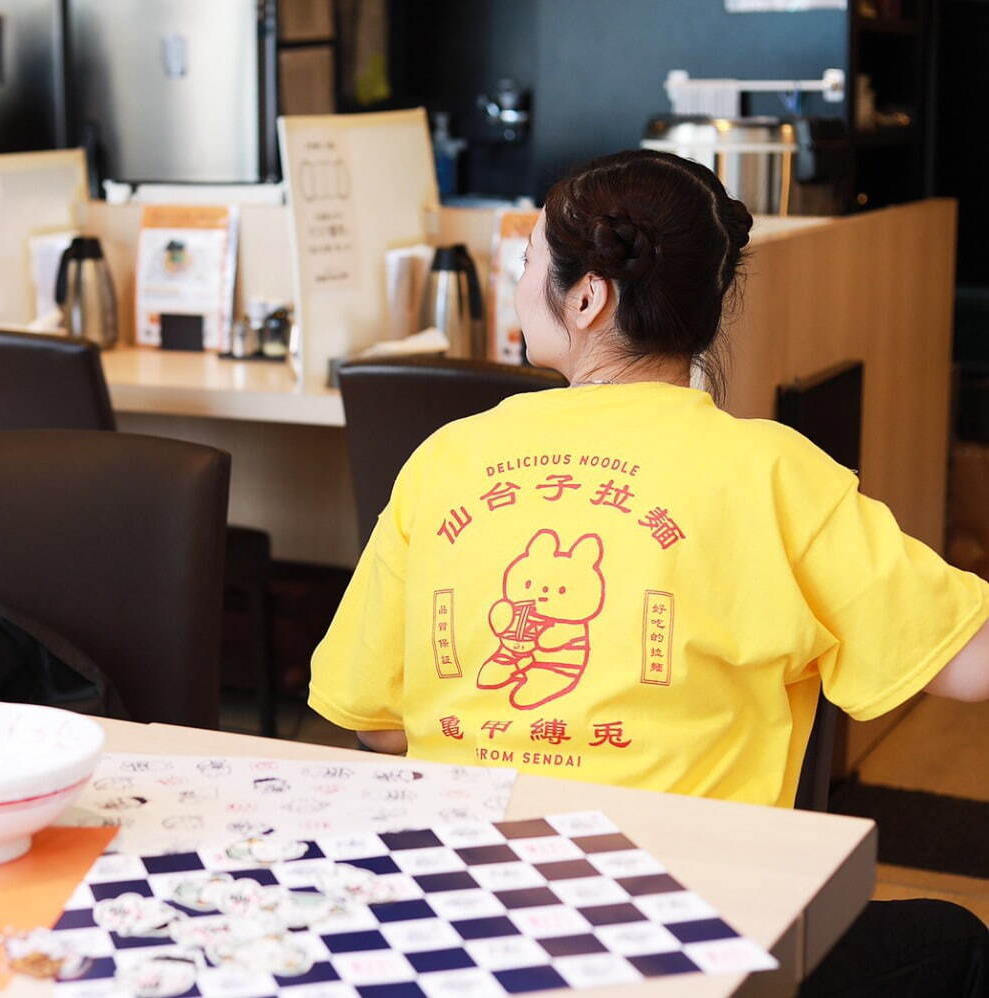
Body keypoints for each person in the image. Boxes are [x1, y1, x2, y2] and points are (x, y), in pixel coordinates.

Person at [309, 149, 988, 995]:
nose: (521, 287)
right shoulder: (771, 471)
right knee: (954, 941)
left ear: (587, 297)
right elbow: (970, 663)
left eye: (526, 264)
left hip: (462, 921)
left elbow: (377, 722)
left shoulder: (447, 458)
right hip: (688, 926)